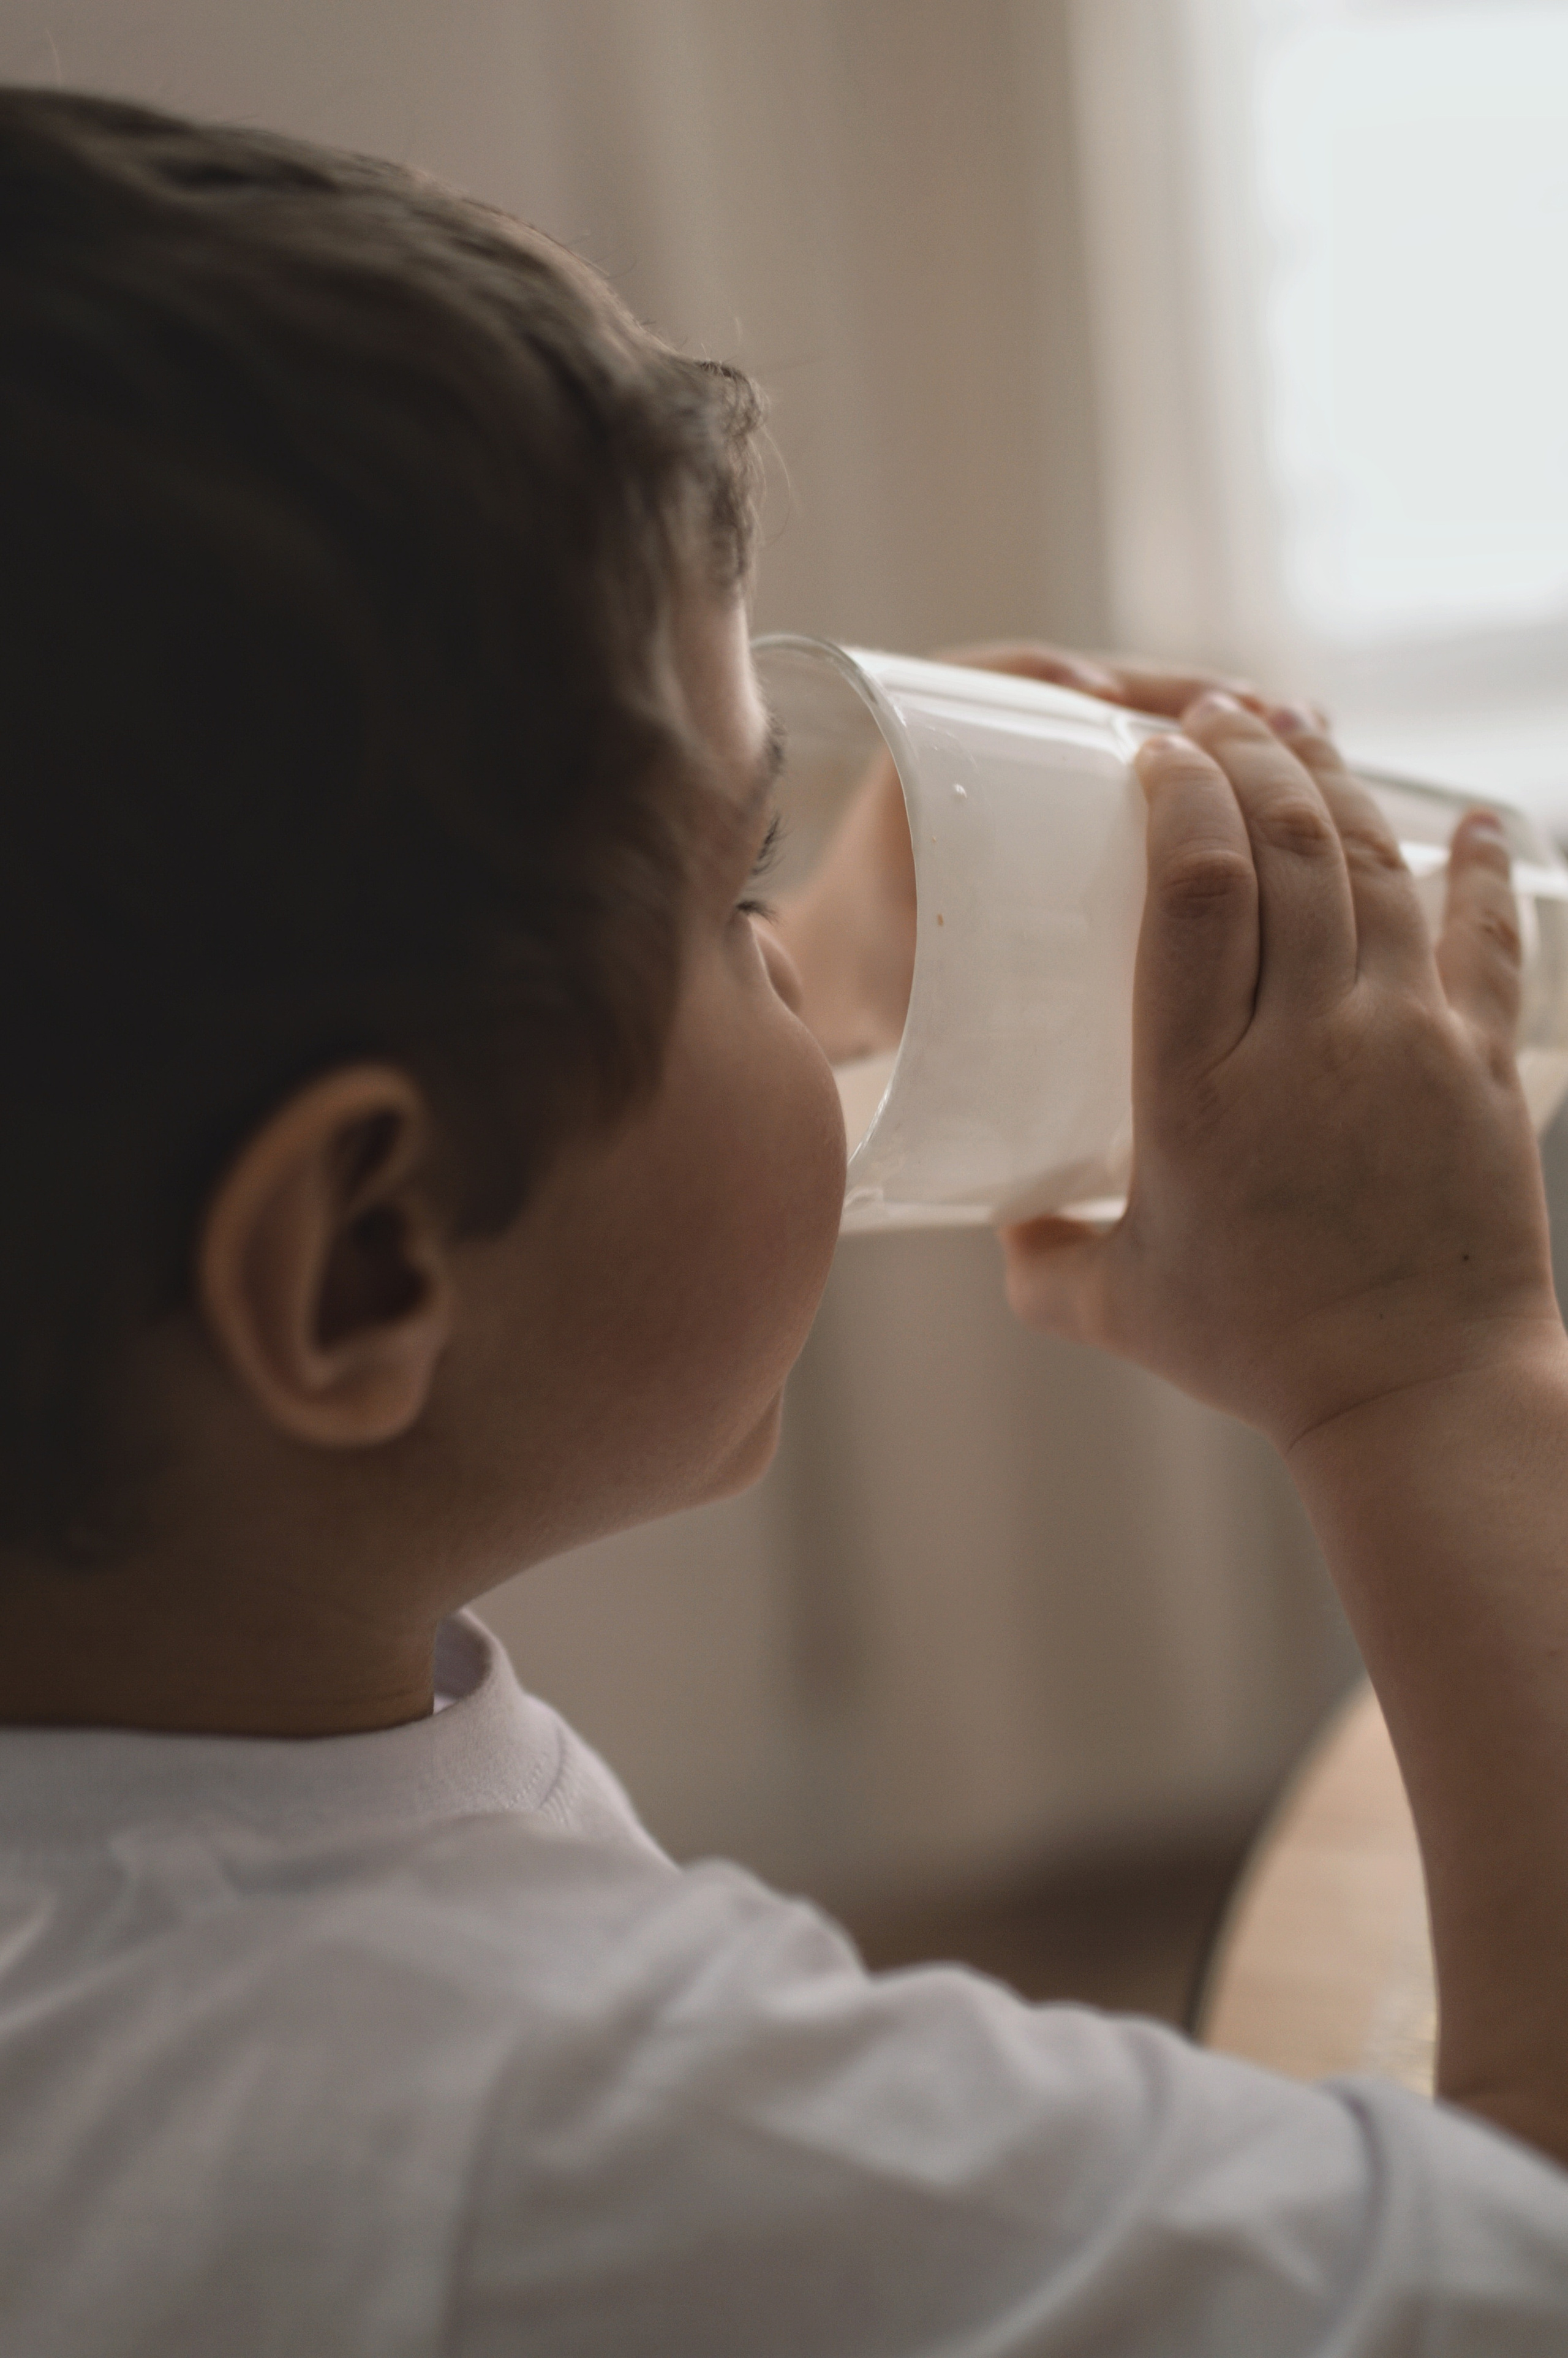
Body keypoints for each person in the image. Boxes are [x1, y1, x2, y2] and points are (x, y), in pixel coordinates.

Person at [0, 81, 1564, 2357]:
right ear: (356, 1260)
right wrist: (1431, 1360)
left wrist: (790, 974)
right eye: (738, 888)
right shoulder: (581, 2138)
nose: (795, 951)